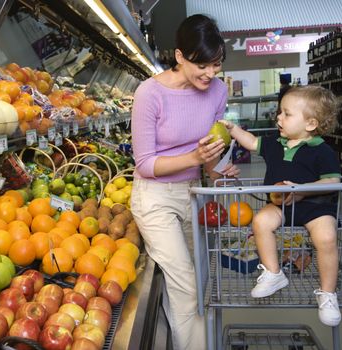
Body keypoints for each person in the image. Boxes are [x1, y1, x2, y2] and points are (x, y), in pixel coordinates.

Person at [130, 14, 240, 350]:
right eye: (202, 64)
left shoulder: (217, 91)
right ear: (180, 56)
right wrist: (194, 158)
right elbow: (146, 164)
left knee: (200, 280)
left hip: (193, 193)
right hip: (155, 198)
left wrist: (216, 168)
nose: (210, 73)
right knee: (185, 283)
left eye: (217, 64)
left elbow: (211, 142)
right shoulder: (149, 94)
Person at [220, 85, 342, 327]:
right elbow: (252, 143)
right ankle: (274, 273)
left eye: (287, 114)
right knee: (260, 222)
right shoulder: (276, 143)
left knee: (326, 238)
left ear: (310, 124)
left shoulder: (321, 150)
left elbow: (333, 180)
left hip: (316, 207)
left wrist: (301, 190)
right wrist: (233, 130)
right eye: (280, 112)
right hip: (279, 205)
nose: (279, 117)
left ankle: (328, 294)